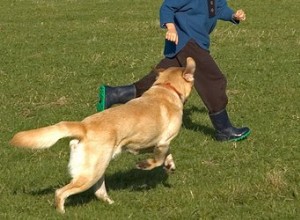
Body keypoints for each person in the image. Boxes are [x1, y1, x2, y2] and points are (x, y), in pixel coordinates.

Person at [96, 0, 251, 142]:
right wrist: (170, 28)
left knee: (158, 80)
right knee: (213, 80)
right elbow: (167, 7)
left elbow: (219, 8)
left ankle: (114, 94)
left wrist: (233, 15)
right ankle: (224, 129)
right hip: (187, 41)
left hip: (189, 42)